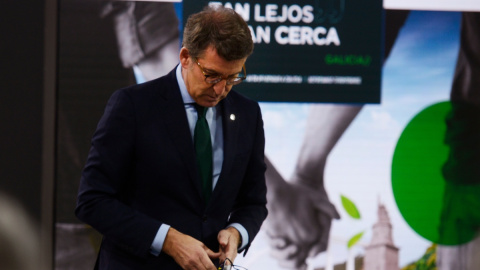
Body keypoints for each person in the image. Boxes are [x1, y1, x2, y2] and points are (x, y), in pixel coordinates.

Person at [75, 5, 268, 270]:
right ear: (186, 57)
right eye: (211, 76)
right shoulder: (132, 106)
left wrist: (237, 232)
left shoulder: (248, 114)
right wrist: (167, 239)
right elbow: (92, 201)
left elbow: (254, 201)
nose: (221, 90)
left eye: (233, 77)